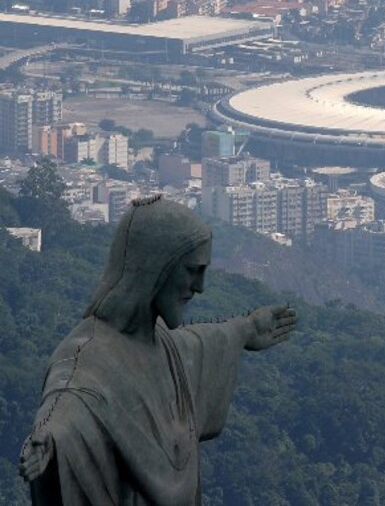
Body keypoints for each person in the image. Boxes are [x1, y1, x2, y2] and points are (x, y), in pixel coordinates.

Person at [18, 195, 297, 505]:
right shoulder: (89, 354)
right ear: (155, 268)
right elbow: (68, 396)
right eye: (192, 270)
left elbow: (199, 343)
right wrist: (48, 438)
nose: (200, 286)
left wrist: (245, 329)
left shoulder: (162, 344)